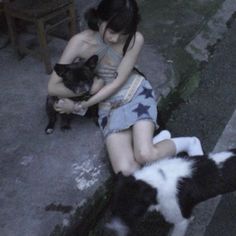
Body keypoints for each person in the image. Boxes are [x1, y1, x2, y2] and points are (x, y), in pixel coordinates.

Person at [48, 0, 203, 175]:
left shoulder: (135, 39)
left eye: (123, 33)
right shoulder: (79, 42)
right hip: (107, 106)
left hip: (134, 93)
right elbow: (52, 87)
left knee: (145, 155)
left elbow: (117, 82)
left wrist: (80, 104)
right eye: (112, 31)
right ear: (99, 18)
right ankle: (157, 142)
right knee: (126, 171)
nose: (115, 39)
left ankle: (190, 143)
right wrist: (87, 90)